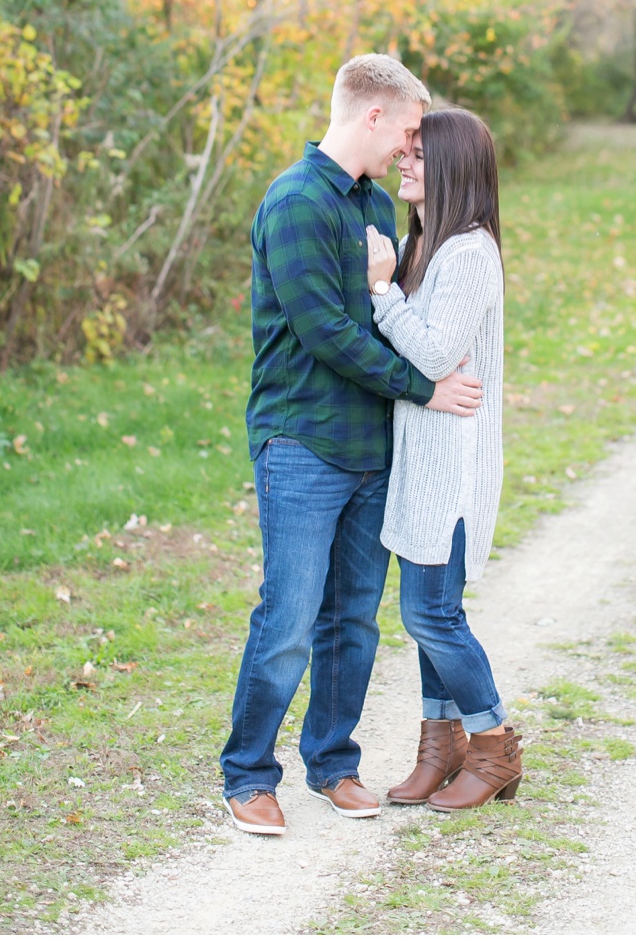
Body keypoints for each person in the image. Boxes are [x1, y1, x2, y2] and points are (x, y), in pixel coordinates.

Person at [220, 54, 486, 836]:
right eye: (408, 130)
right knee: (291, 614)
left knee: (354, 621)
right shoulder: (296, 201)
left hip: (373, 447)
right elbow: (330, 334)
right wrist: (426, 388)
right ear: (373, 115)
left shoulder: (373, 207)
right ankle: (248, 775)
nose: (412, 149)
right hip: (302, 440)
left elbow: (392, 307)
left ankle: (333, 762)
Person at [363, 104, 521, 810]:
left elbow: (429, 351)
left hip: (450, 469)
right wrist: (396, 282)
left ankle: (494, 746)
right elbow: (427, 352)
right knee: (429, 610)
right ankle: (441, 743)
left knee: (432, 616)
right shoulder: (428, 243)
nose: (404, 159)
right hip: (420, 462)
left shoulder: (469, 254)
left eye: (419, 154)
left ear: (453, 166)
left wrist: (380, 289)